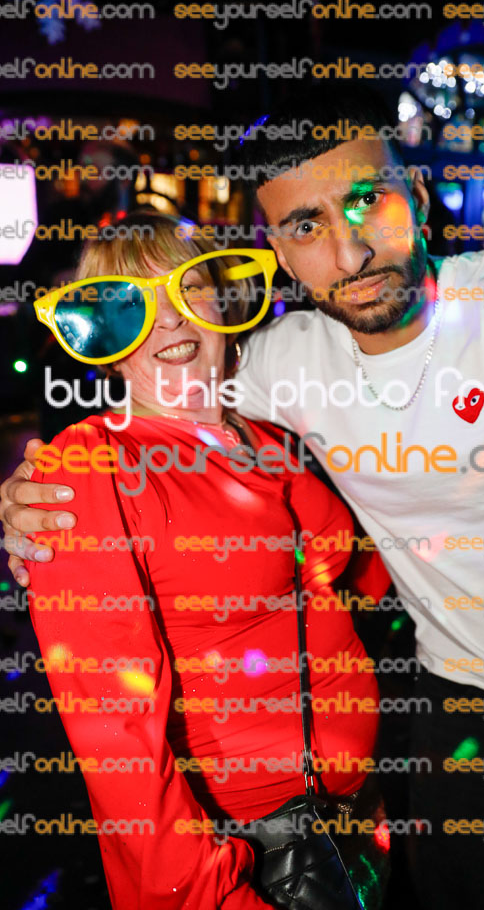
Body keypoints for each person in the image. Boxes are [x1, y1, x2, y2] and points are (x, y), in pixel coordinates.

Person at [3, 84, 484, 908]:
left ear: (417, 195)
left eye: (367, 200)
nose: (350, 254)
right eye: (306, 226)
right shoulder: (250, 379)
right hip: (449, 719)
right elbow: (115, 730)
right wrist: (37, 498)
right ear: (276, 249)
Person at [10, 211, 390, 910]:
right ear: (102, 341)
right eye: (129, 306)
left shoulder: (268, 440)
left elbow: (350, 585)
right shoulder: (90, 467)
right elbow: (115, 733)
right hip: (248, 853)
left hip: (349, 825)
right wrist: (205, 894)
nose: (168, 318)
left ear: (223, 302)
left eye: (187, 287)